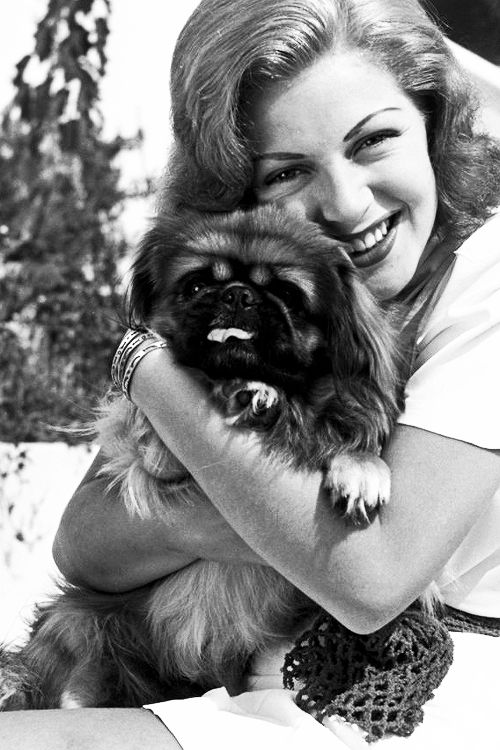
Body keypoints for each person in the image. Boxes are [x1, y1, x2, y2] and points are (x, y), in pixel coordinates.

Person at [3, 0, 500, 747]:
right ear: (242, 189)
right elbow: (82, 545)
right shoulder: (261, 310)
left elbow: (369, 575)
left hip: (396, 700)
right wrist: (250, 511)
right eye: (290, 170)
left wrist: (146, 370)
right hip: (232, 678)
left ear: (434, 122)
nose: (344, 201)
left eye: (375, 141)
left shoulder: (486, 277)